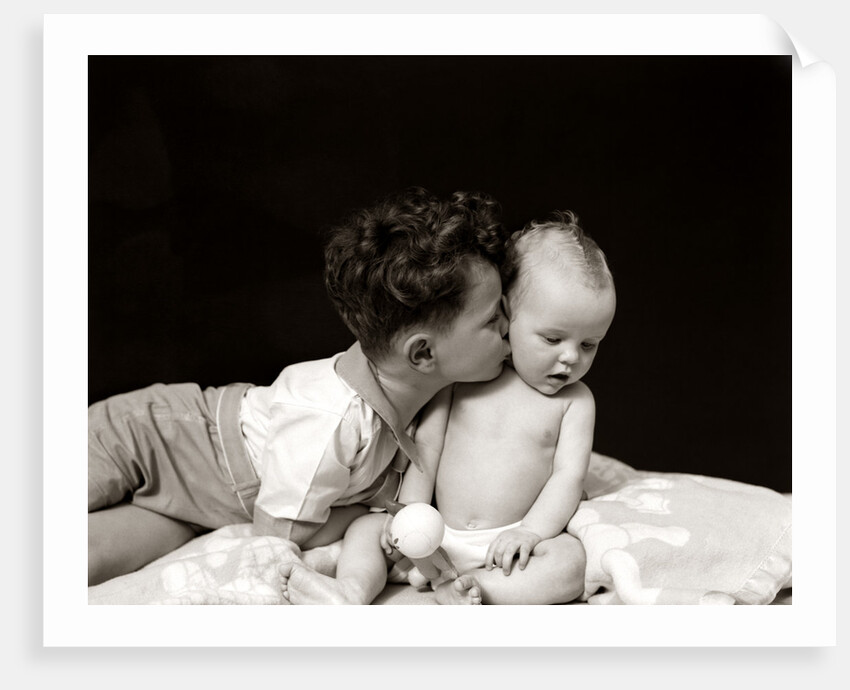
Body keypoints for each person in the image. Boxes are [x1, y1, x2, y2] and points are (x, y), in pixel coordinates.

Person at [87, 187, 512, 586]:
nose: (511, 327)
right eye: (494, 319)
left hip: (203, 500)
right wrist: (366, 513)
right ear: (421, 354)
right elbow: (279, 532)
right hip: (147, 434)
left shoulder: (425, 391)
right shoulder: (332, 420)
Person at [279, 210, 615, 605]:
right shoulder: (465, 378)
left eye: (589, 344)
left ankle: (477, 591)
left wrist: (532, 533)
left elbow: (568, 477)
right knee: (366, 529)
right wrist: (408, 512)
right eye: (552, 338)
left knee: (571, 563)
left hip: (508, 546)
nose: (570, 359)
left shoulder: (575, 402)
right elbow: (427, 448)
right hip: (435, 534)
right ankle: (350, 591)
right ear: (507, 315)